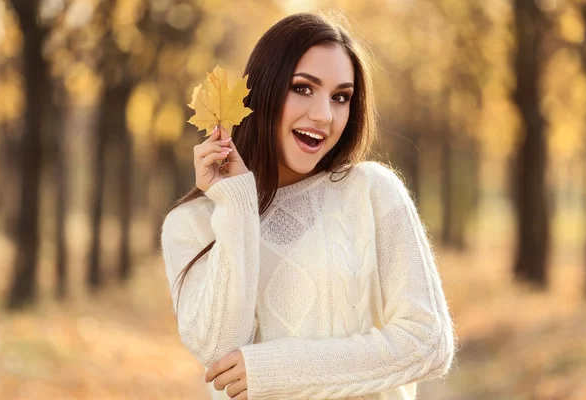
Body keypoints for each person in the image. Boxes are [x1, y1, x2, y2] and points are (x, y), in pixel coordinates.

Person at [160, 11, 456, 400]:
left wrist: (279, 369)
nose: (323, 115)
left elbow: (428, 342)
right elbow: (219, 353)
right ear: (264, 90)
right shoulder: (191, 224)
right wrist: (237, 205)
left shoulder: (372, 192)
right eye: (303, 88)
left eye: (340, 97)